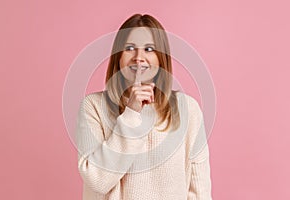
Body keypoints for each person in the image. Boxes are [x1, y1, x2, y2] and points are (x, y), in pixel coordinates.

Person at [76, 14, 212, 200]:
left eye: (149, 49)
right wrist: (131, 114)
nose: (139, 58)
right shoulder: (93, 107)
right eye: (129, 48)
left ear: (161, 58)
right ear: (118, 57)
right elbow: (97, 180)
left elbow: (199, 191)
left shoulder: (187, 108)